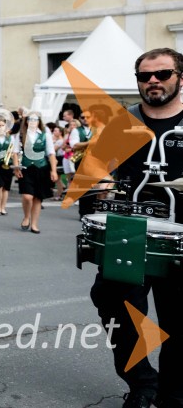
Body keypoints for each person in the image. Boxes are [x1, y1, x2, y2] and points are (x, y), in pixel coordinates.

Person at [86, 48, 183, 408]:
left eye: (162, 74)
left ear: (180, 77)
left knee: (178, 323)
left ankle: (174, 392)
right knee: (118, 312)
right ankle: (142, 383)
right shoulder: (122, 122)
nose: (153, 81)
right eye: (145, 76)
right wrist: (100, 181)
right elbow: (97, 165)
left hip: (180, 240)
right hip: (127, 235)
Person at [12, 112, 57, 234]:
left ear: (39, 121)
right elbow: (15, 152)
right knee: (27, 196)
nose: (32, 121)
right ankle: (26, 216)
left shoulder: (45, 135)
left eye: (35, 119)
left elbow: (51, 153)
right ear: (26, 121)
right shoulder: (21, 135)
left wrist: (53, 170)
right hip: (26, 168)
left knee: (38, 198)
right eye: (30, 119)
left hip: (42, 168)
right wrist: (16, 168)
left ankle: (34, 224)